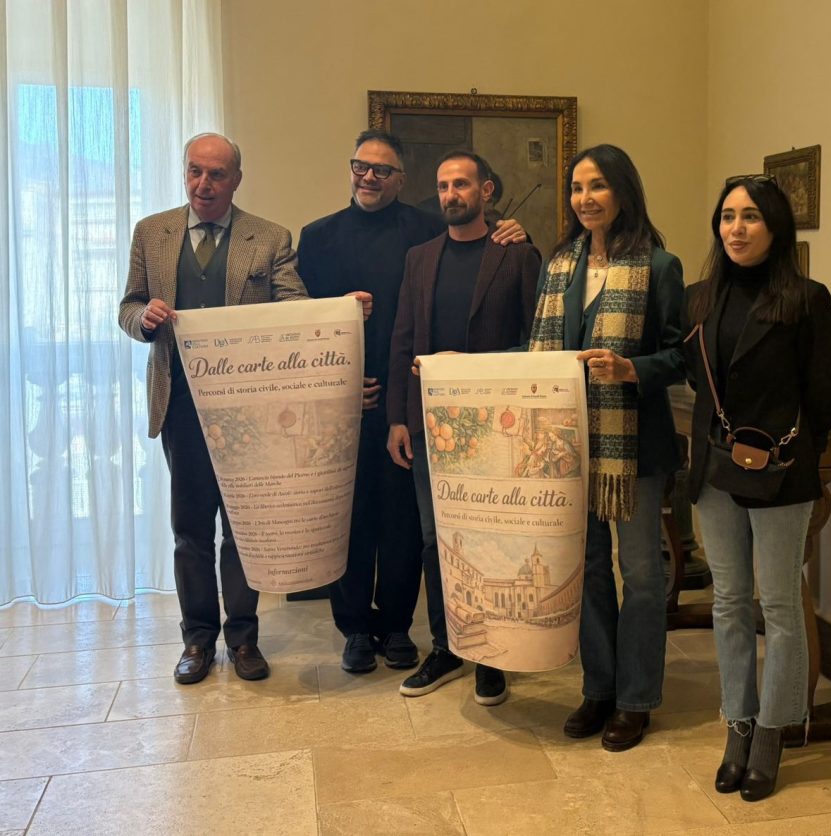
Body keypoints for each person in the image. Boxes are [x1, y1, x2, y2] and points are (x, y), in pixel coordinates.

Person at [297, 131, 525, 674]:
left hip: (409, 401)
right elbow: (296, 319)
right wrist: (336, 359)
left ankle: (399, 625)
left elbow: (477, 247)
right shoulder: (317, 237)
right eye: (361, 166)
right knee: (349, 518)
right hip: (338, 401)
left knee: (404, 521)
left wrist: (517, 230)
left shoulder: (425, 231)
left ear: (400, 180)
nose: (368, 177)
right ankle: (355, 628)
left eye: (382, 170)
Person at [118, 132, 308, 684]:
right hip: (180, 405)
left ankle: (244, 638)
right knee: (190, 529)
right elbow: (127, 306)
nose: (204, 184)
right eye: (195, 171)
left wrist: (339, 312)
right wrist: (143, 319)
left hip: (249, 413)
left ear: (236, 180)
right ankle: (197, 640)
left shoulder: (269, 238)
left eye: (216, 174)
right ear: (185, 173)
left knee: (244, 526)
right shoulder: (151, 232)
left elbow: (293, 308)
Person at [682, 175, 831, 801]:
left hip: (781, 470)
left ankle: (773, 730)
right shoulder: (699, 299)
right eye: (727, 217)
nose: (736, 228)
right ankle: (738, 725)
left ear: (775, 228)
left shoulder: (806, 299)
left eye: (750, 216)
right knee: (729, 602)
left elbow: (822, 395)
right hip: (716, 468)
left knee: (778, 604)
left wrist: (797, 454)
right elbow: (697, 381)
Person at [529, 144, 685, 751]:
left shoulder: (660, 266)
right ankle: (598, 688)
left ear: (623, 191)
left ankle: (636, 699)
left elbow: (679, 356)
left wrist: (631, 369)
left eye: (597, 186)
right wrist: (458, 363)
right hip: (566, 446)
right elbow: (538, 353)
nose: (585, 198)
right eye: (576, 187)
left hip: (634, 450)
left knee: (641, 574)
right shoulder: (558, 267)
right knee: (588, 569)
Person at [386, 150, 541, 705]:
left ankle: (491, 657)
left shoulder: (518, 255)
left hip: (496, 428)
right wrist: (398, 418)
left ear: (487, 190)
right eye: (443, 186)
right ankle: (447, 647)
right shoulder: (420, 258)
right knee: (437, 540)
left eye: (462, 184)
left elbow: (535, 340)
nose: (451, 194)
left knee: (491, 543)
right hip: (430, 426)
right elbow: (403, 338)